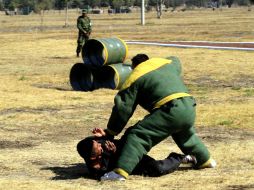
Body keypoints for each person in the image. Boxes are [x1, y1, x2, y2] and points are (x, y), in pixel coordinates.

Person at [99, 54, 216, 181]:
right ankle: (205, 160)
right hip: (189, 105)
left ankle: (120, 173)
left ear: (134, 67)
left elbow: (123, 108)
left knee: (138, 135)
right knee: (185, 135)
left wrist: (111, 131)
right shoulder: (166, 64)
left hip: (170, 109)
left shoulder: (135, 76)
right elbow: (176, 60)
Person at [77, 128, 197, 180]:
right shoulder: (95, 167)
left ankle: (179, 158)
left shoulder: (93, 143)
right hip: (127, 165)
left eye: (97, 142)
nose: (99, 144)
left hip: (130, 150)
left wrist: (105, 134)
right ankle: (179, 158)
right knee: (157, 169)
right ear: (93, 156)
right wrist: (111, 153)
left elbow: (105, 138)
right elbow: (103, 174)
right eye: (96, 147)